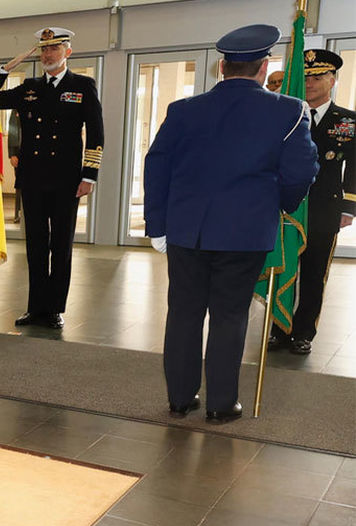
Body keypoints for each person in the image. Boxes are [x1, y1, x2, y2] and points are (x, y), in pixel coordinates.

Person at [145, 24, 318, 424]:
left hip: (188, 231)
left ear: (222, 66)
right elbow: (300, 172)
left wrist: (158, 224)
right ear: (265, 67)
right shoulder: (289, 110)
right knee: (229, 315)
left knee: (184, 312)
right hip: (245, 232)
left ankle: (181, 398)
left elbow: (157, 166)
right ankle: (222, 404)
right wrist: (280, 205)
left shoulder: (183, 110)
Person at [0, 27, 105, 330]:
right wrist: (5, 69)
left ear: (67, 52)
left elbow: (96, 133)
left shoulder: (82, 86)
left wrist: (90, 175)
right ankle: (36, 307)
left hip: (66, 180)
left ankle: (55, 308)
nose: (47, 54)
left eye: (54, 49)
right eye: (43, 49)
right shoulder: (29, 87)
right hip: (32, 178)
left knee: (61, 245)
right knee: (36, 245)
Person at [270, 49, 354, 355]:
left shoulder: (347, 120)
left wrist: (349, 207)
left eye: (318, 77)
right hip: (288, 207)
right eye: (306, 77)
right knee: (284, 267)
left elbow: (354, 167)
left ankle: (304, 332)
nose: (311, 83)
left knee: (314, 274)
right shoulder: (286, 115)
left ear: (332, 80)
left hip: (324, 207)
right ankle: (279, 328)